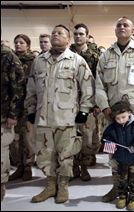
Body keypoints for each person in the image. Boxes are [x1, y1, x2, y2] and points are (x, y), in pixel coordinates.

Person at [25, 24, 94, 203]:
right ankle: (50, 185)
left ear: (68, 38)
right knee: (45, 154)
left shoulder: (77, 61)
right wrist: (31, 110)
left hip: (67, 118)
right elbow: (31, 88)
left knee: (65, 155)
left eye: (60, 33)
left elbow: (87, 87)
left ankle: (63, 186)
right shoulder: (39, 61)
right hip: (43, 118)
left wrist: (84, 111)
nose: (55, 35)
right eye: (53, 33)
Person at [95, 16, 134, 203]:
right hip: (112, 115)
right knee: (114, 153)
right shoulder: (106, 55)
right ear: (115, 30)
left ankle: (133, 190)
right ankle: (117, 188)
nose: (122, 27)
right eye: (119, 25)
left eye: (126, 25)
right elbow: (98, 83)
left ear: (132, 30)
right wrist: (104, 106)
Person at [70, 23, 103, 181]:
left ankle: (85, 164)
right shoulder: (67, 54)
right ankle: (75, 167)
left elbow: (99, 81)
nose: (78, 36)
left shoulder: (94, 56)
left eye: (81, 34)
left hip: (88, 103)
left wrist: (96, 104)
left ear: (87, 36)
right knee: (71, 136)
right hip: (68, 104)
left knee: (87, 137)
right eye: (75, 34)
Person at [101, 100, 134, 210]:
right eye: (117, 118)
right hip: (120, 159)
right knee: (121, 179)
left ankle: (133, 197)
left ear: (129, 113)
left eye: (123, 117)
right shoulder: (112, 128)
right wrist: (109, 145)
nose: (120, 120)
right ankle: (122, 196)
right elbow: (105, 139)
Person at [9, 34, 36, 181]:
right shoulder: (10, 60)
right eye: (16, 42)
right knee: (14, 139)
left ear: (28, 45)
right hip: (13, 105)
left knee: (27, 138)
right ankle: (19, 165)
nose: (18, 45)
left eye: (21, 42)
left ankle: (28, 167)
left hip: (27, 104)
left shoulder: (33, 61)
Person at [1, 43, 25, 201]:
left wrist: (13, 114)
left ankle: (1, 184)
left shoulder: (8, 57)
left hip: (3, 114)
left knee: (1, 153)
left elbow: (18, 87)